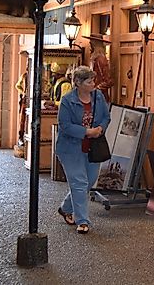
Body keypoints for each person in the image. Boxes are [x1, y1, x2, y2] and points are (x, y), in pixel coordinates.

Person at [55, 65, 110, 234]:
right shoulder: (67, 100)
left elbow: (106, 117)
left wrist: (100, 129)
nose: (93, 83)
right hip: (70, 148)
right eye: (89, 81)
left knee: (89, 181)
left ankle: (65, 207)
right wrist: (86, 132)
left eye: (93, 80)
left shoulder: (98, 97)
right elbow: (64, 125)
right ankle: (83, 221)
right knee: (79, 182)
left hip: (92, 147)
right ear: (78, 83)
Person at [87, 34, 114, 102]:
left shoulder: (100, 59)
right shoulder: (94, 59)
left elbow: (108, 81)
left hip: (100, 97)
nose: (89, 46)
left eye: (91, 43)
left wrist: (96, 89)